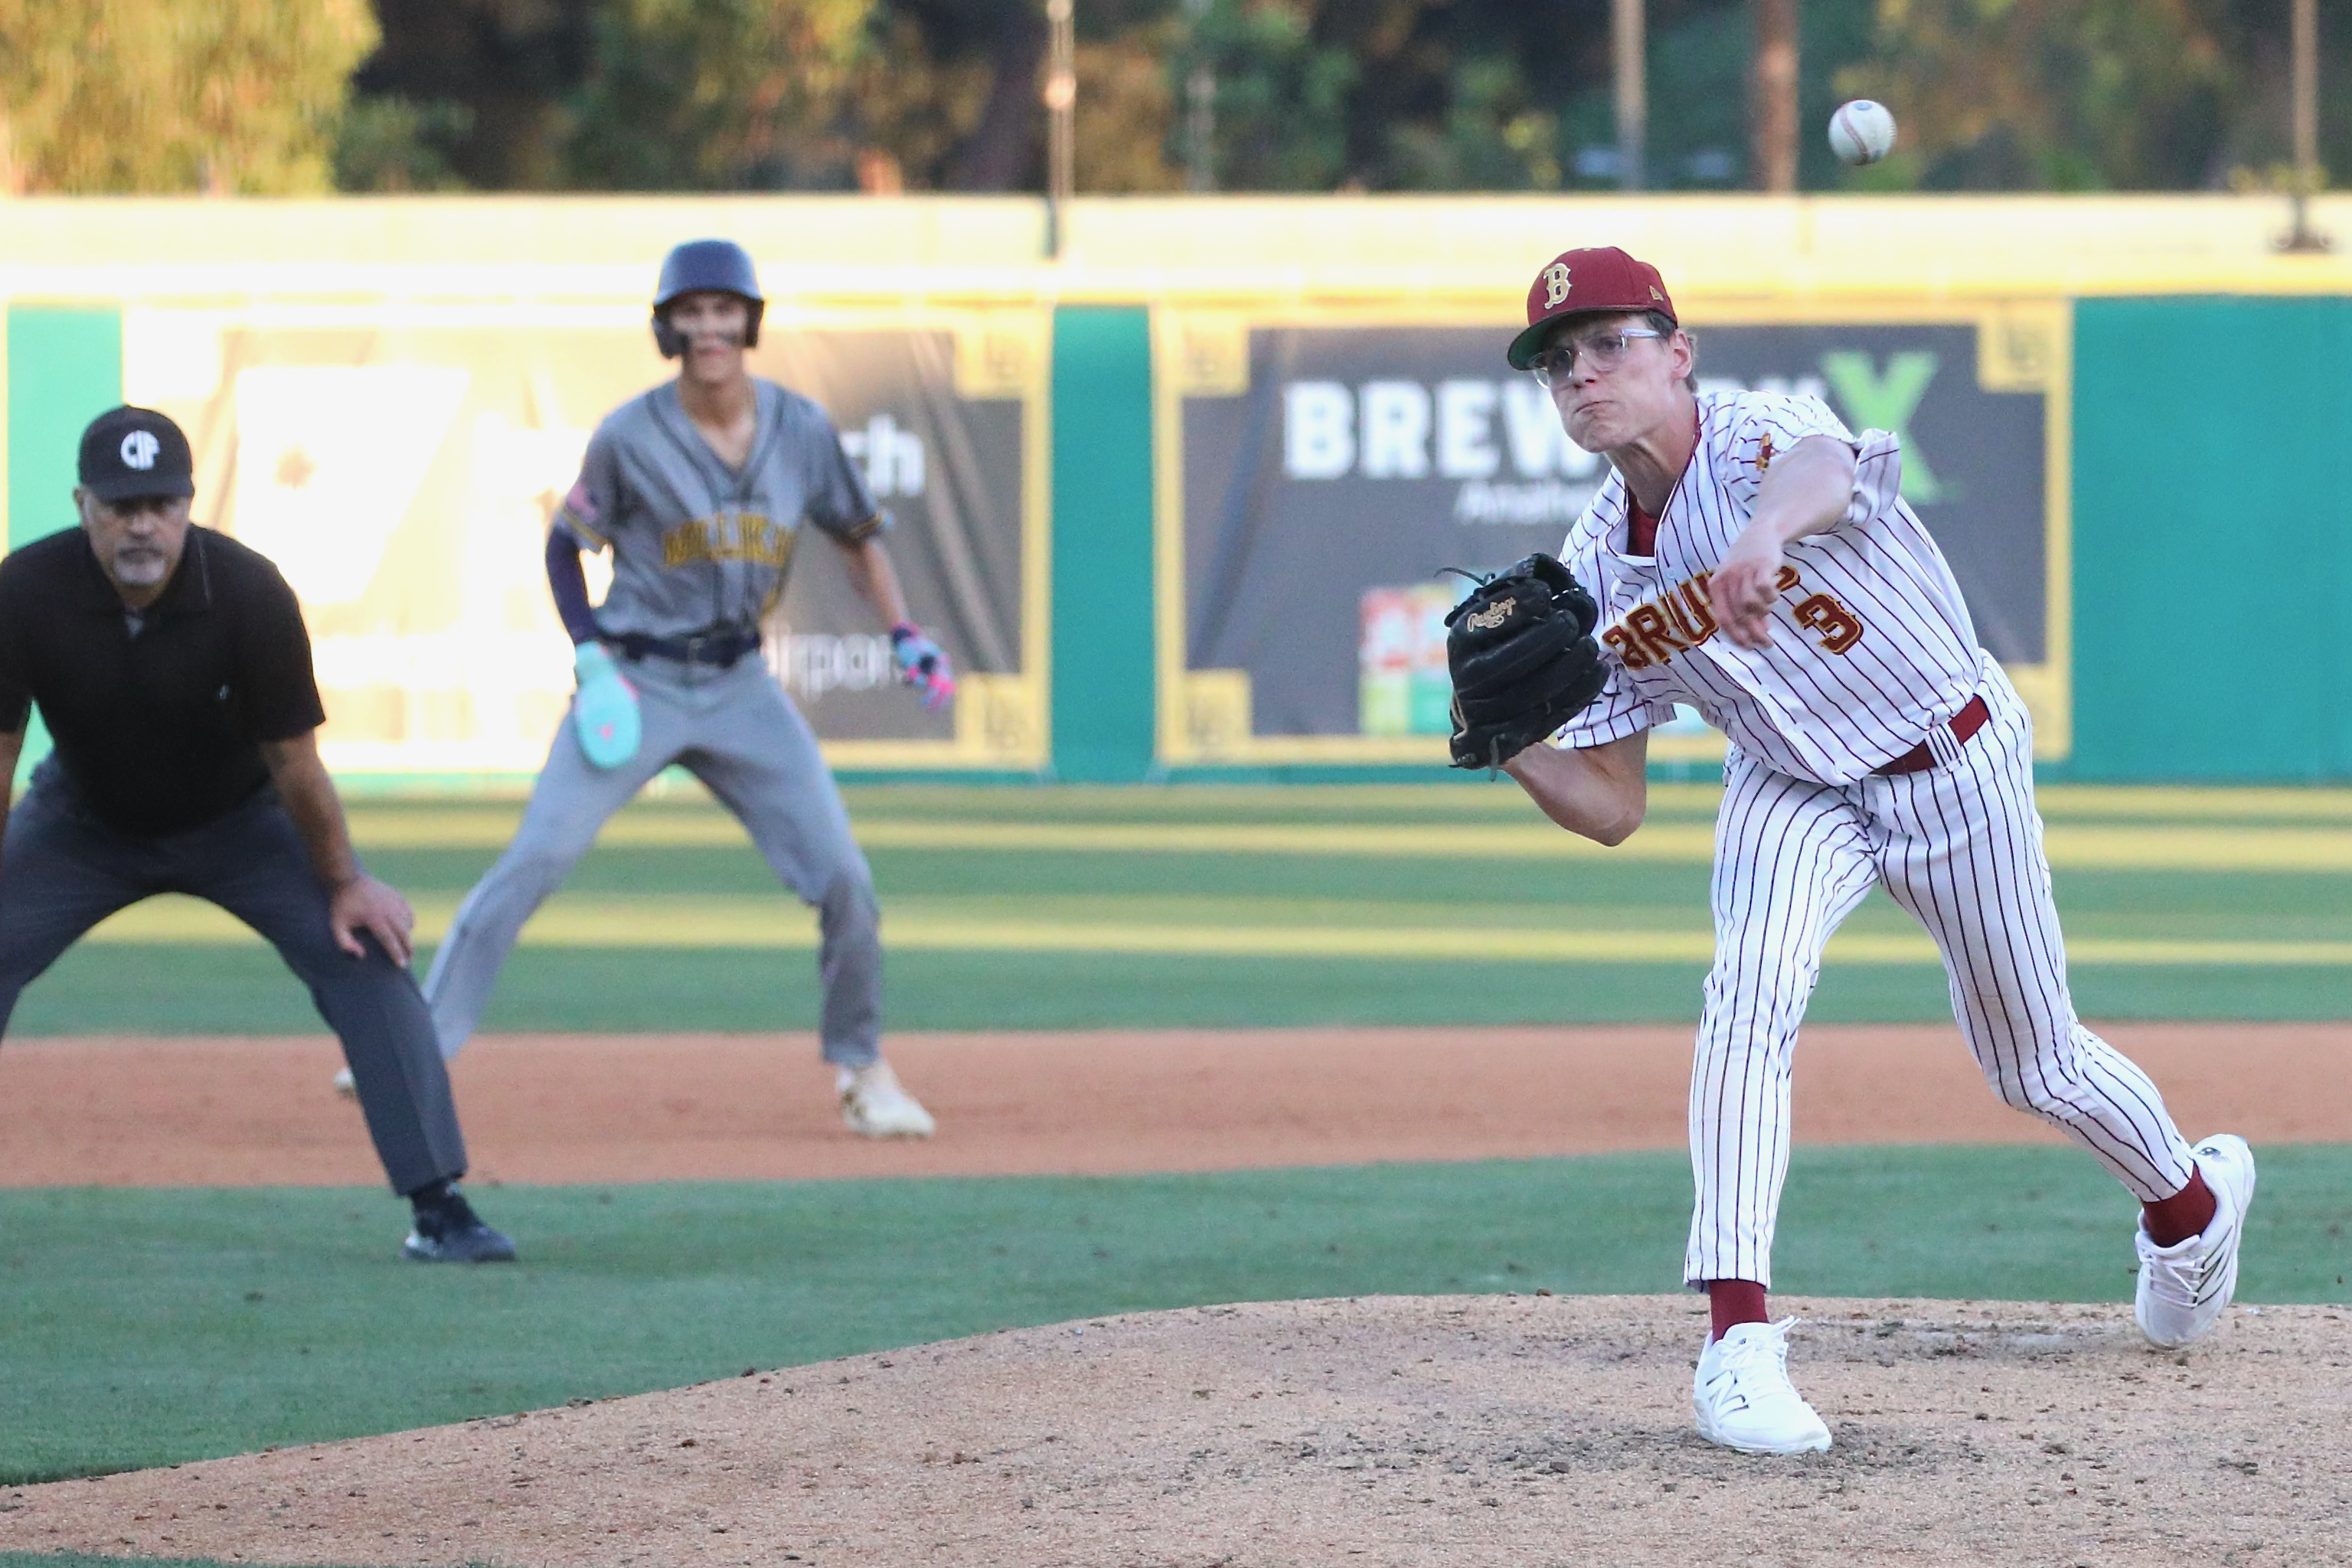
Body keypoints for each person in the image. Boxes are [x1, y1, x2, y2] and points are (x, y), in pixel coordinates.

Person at [1489, 247, 2253, 1454]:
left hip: (1951, 761)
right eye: (1558, 362)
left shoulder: (1754, 438)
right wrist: (1508, 744)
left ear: (1678, 355)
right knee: (1748, 994)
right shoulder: (1593, 574)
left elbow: (1828, 468)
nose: (1582, 374)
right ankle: (1736, 1344)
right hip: (1791, 784)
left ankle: (2190, 1209)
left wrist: (1762, 539)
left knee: (2034, 1063)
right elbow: (1615, 806)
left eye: (1609, 345)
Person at [410, 238, 951, 1138]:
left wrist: (903, 631)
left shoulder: (801, 428)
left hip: (741, 683)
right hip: (638, 679)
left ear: (749, 322)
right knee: (537, 856)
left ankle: (864, 1069)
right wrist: (590, 654)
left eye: (723, 309)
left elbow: (858, 535)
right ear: (667, 328)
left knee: (846, 879)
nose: (708, 327)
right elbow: (565, 547)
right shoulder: (631, 434)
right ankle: (414, 1042)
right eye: (690, 312)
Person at [0, 407, 514, 1263]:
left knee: (364, 953)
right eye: (121, 505)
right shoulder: (24, 590)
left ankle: (439, 1206)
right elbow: (3, 754)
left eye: (161, 504)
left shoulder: (248, 591)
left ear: (189, 504)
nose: (142, 525)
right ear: (83, 504)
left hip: (239, 822)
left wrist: (345, 881)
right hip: (81, 824)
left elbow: (294, 762)